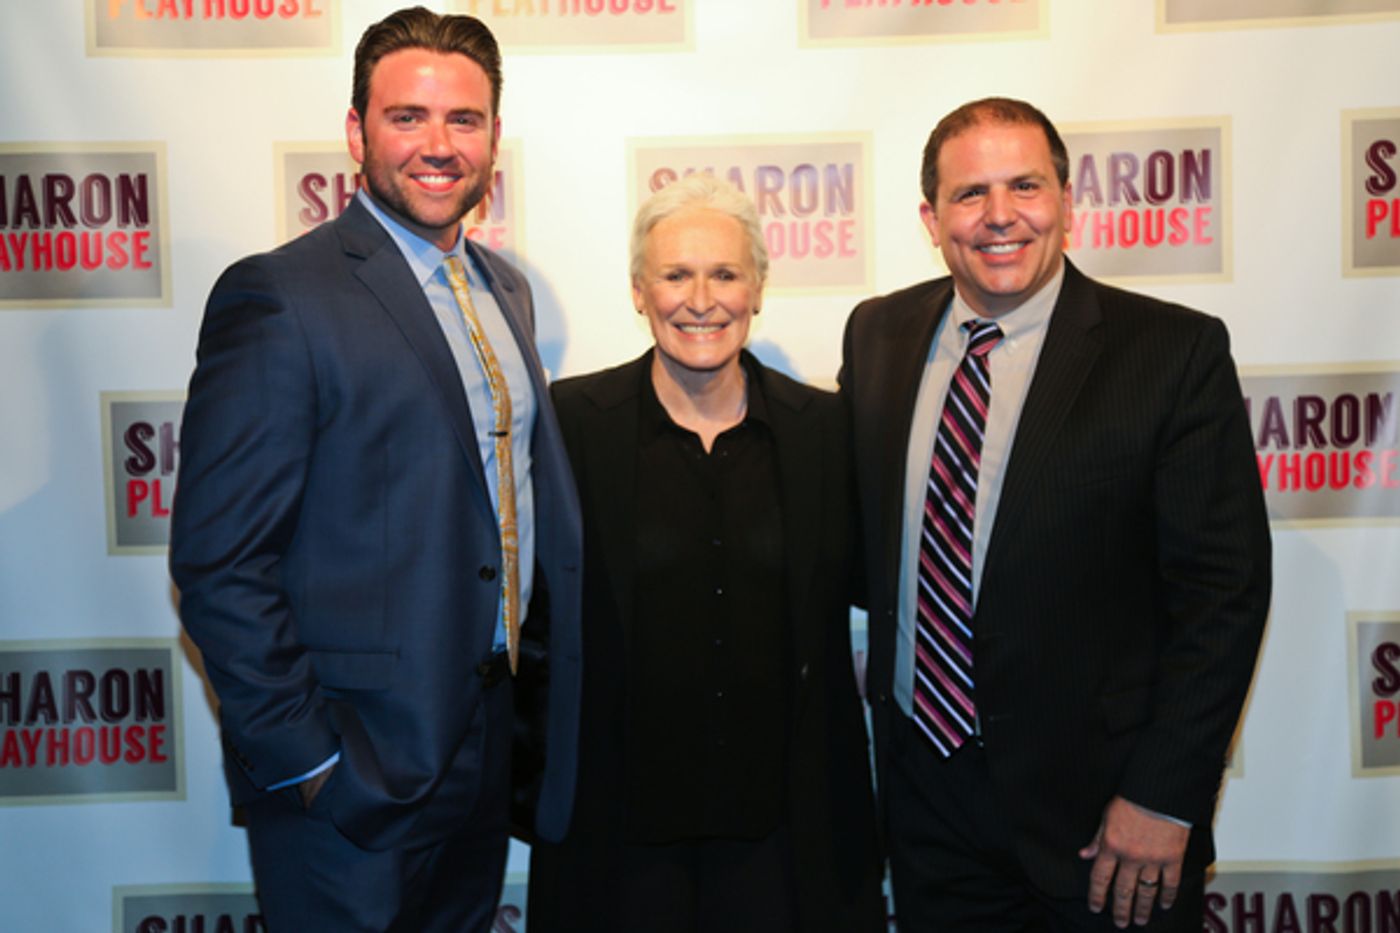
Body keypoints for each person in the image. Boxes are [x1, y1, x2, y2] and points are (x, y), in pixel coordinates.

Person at [168, 8, 582, 931]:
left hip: (483, 755)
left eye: (464, 119)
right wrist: (312, 762)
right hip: (351, 781)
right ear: (357, 132)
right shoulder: (281, 295)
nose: (438, 145)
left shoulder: (504, 290)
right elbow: (220, 562)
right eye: (408, 117)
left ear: (494, 137)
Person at [840, 97, 1271, 931]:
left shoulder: (1171, 352)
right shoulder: (878, 335)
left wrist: (1164, 795)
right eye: (970, 193)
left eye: (1025, 186)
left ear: (1067, 201)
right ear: (931, 219)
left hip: (1108, 828)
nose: (1000, 215)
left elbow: (1225, 595)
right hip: (928, 817)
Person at [527, 173, 884, 933]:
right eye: (675, 275)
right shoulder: (571, 424)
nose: (700, 300)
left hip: (787, 835)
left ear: (757, 289)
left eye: (724, 274)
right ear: (638, 290)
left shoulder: (824, 430)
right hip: (618, 833)